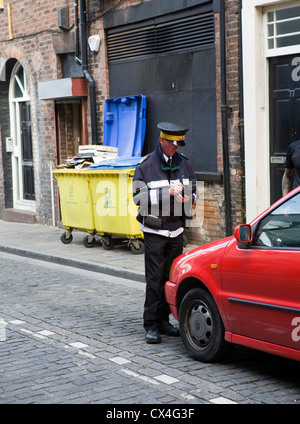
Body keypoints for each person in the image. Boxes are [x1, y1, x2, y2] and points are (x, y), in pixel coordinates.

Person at [132, 122, 197, 344]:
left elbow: (194, 190)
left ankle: (164, 321)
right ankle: (150, 324)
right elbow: (138, 199)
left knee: (170, 278)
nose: (176, 148)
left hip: (176, 229)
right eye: (172, 144)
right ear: (162, 141)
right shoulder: (146, 165)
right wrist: (165, 192)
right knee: (154, 279)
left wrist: (189, 198)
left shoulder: (184, 163)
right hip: (154, 230)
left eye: (178, 145)